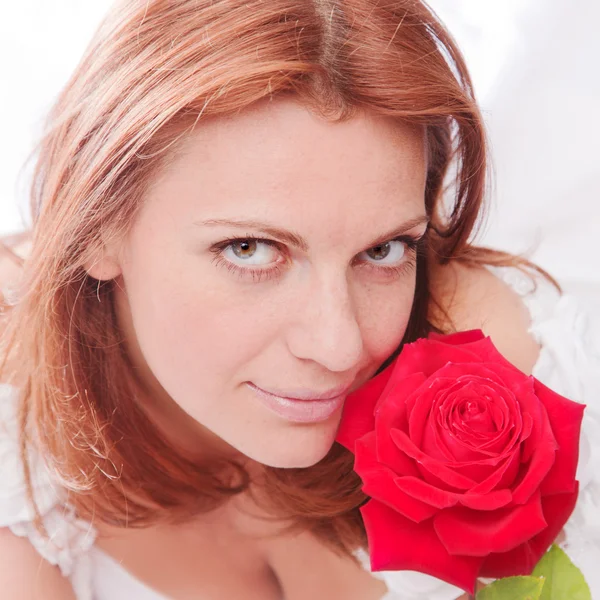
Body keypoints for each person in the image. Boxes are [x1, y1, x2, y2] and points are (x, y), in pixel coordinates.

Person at [0, 0, 598, 598]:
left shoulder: (515, 380)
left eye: (384, 250)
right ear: (96, 227)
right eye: (251, 250)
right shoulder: (19, 449)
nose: (340, 347)